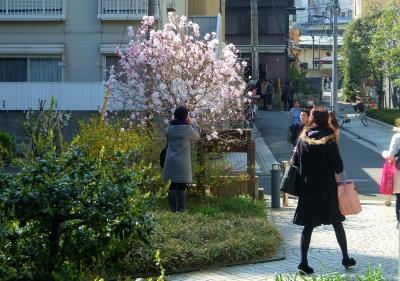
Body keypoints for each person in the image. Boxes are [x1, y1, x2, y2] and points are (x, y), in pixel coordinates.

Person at [292, 107, 356, 275]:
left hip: (307, 188)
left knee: (308, 226)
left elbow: (295, 162)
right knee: (336, 222)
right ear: (325, 119)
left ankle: (303, 262)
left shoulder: (302, 138)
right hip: (327, 187)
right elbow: (338, 166)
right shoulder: (329, 138)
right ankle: (346, 258)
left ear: (312, 118)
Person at [162, 106, 200, 212]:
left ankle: (173, 209)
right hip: (183, 161)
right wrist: (191, 123)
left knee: (172, 185)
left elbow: (166, 137)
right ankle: (181, 209)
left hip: (170, 160)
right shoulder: (188, 129)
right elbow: (197, 138)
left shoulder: (169, 128)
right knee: (182, 185)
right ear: (186, 116)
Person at [382, 132, 400, 227]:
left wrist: (384, 154)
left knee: (399, 195)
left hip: (399, 169)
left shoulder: (397, 136)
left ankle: (399, 219)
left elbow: (391, 155)